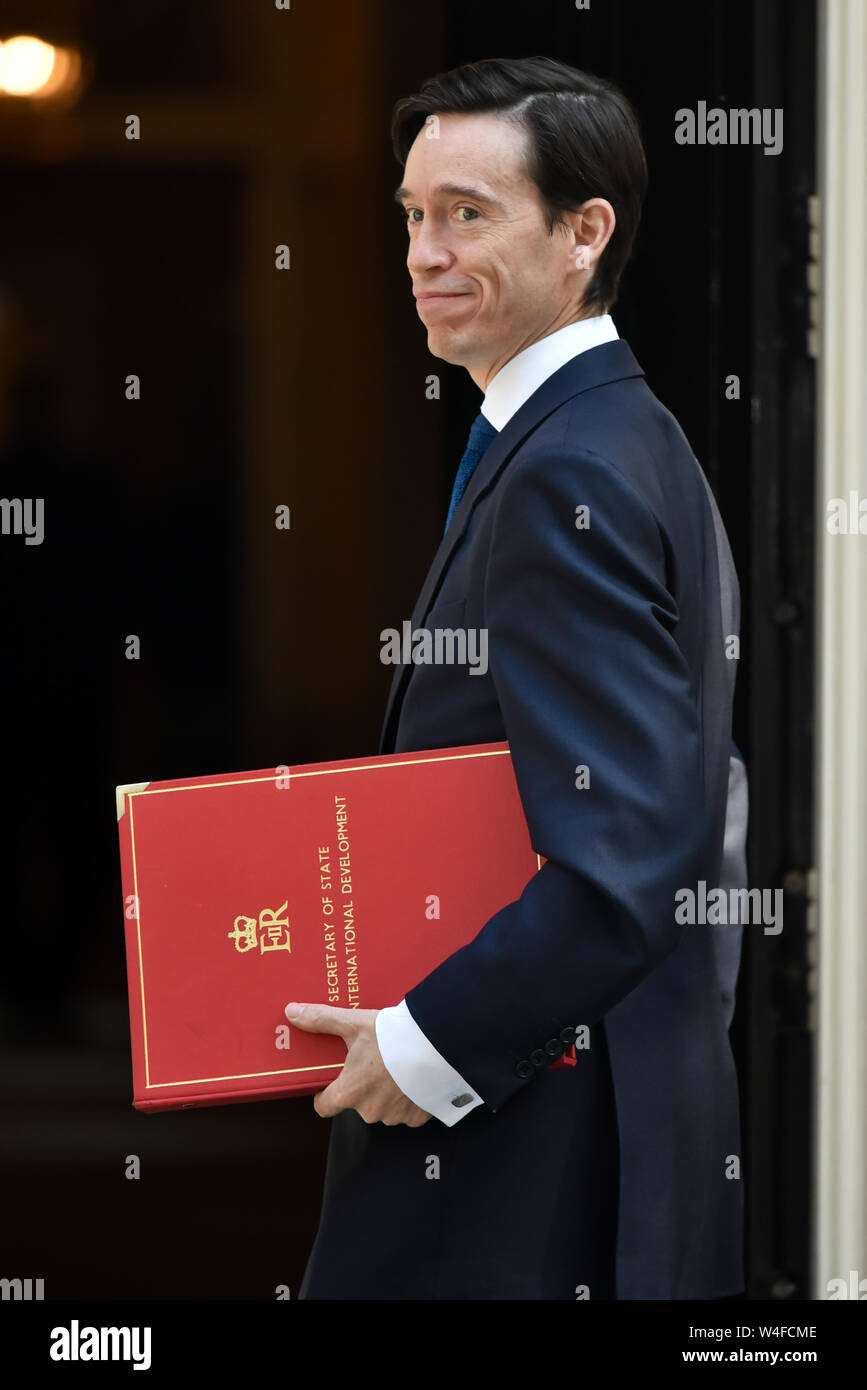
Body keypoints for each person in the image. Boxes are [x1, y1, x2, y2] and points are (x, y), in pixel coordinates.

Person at [288, 55, 748, 1300]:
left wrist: (423, 1046)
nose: (424, 252)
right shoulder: (625, 435)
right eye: (412, 214)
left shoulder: (569, 470)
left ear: (584, 233)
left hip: (531, 1159)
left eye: (468, 214)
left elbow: (627, 861)